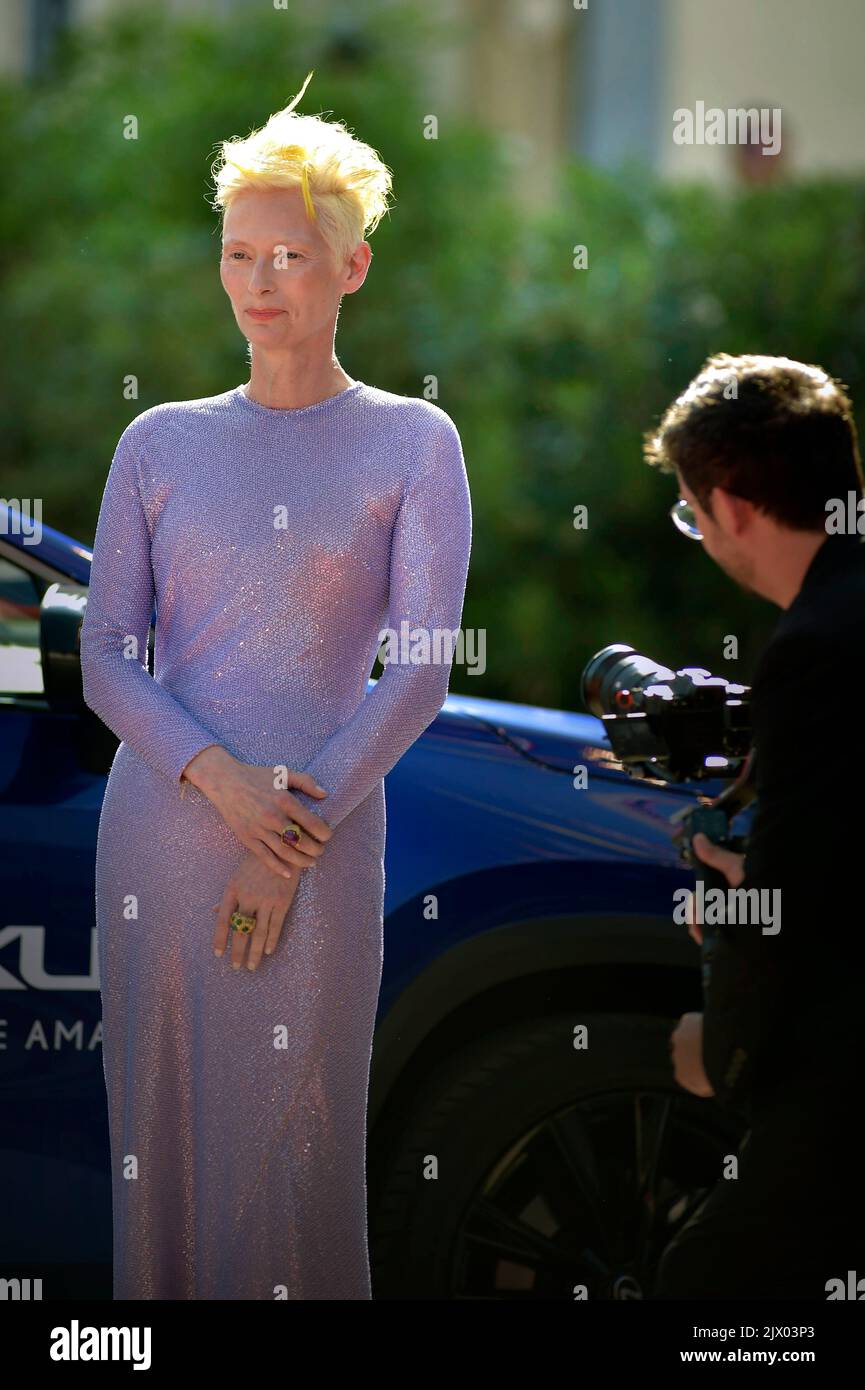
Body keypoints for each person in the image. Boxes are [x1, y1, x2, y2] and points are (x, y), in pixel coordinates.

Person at [79, 71, 472, 1300]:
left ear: (349, 268)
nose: (257, 282)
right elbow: (101, 656)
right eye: (237, 253)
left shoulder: (415, 442)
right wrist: (219, 784)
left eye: (288, 256)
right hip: (161, 834)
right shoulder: (160, 442)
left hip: (321, 838)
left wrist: (285, 828)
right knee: (161, 1156)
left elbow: (416, 676)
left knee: (294, 1155)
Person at [643, 353, 865, 1298]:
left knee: (707, 1285)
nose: (700, 533)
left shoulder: (815, 650)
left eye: (691, 514)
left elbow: (797, 916)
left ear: (730, 505)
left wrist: (717, 1059)